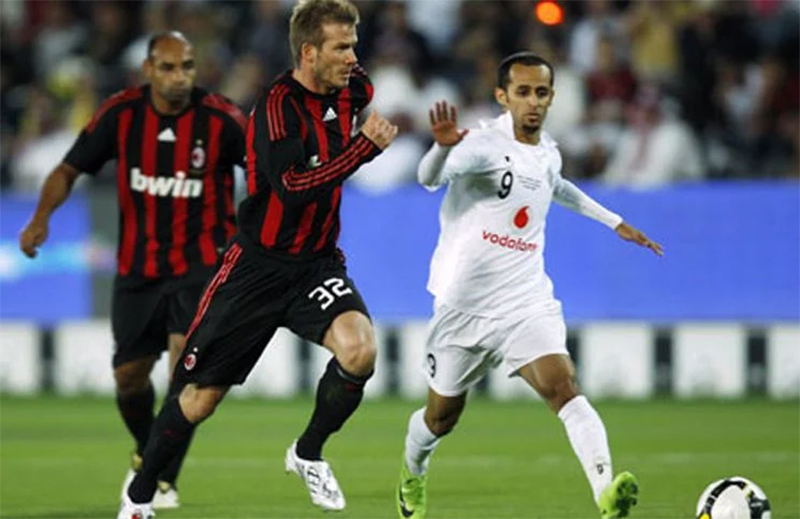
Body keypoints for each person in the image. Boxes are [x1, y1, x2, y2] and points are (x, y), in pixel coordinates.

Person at [117, 1, 398, 518]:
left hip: (315, 265)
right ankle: (138, 498)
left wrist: (352, 142)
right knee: (198, 400)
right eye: (341, 47)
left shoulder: (354, 88)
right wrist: (362, 149)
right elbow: (291, 188)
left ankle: (307, 453)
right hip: (256, 269)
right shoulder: (275, 108)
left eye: (354, 45)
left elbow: (348, 114)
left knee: (359, 350)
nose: (352, 58)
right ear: (309, 53)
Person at [396, 52, 664, 519]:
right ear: (503, 97)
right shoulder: (481, 145)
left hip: (524, 301)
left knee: (563, 387)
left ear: (552, 97)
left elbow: (556, 184)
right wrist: (440, 147)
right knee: (440, 418)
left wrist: (614, 221)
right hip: (463, 307)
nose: (533, 102)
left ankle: (606, 494)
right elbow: (428, 178)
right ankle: (412, 472)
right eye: (522, 92)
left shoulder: (548, 152)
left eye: (541, 92)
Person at [19, 32, 247, 510]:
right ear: (148, 69)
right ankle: (151, 456)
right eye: (168, 67)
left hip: (202, 266)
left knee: (185, 368)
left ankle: (158, 477)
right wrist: (40, 218)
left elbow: (266, 172)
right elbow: (67, 169)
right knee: (129, 377)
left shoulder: (221, 119)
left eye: (187, 66)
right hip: (138, 269)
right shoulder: (121, 115)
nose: (179, 77)